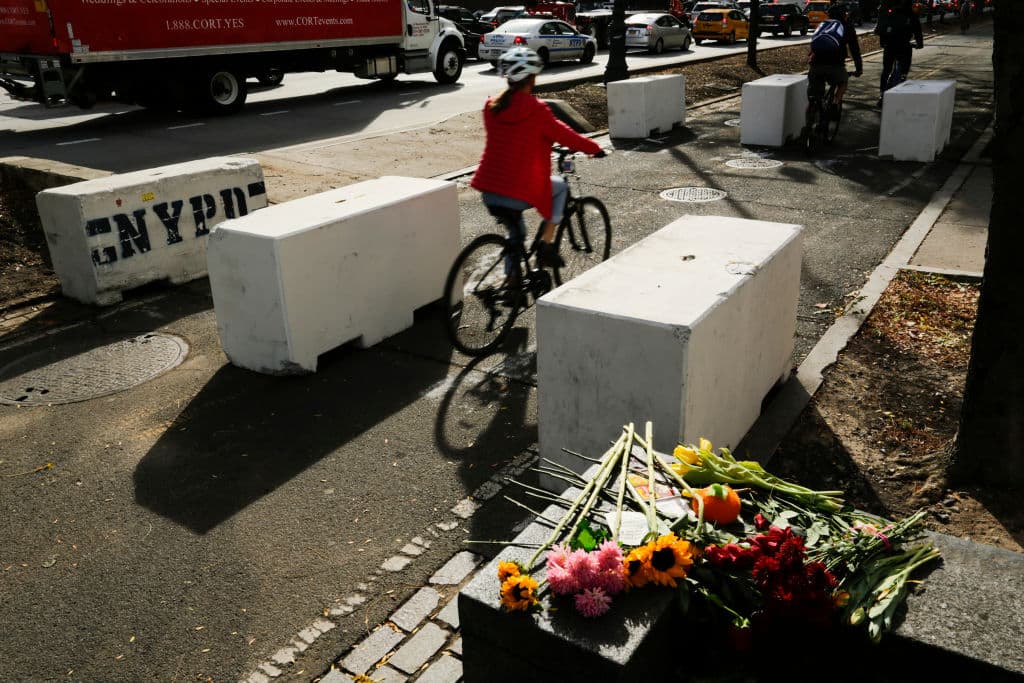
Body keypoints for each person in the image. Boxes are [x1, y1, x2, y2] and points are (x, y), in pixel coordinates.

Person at [470, 47, 605, 269]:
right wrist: (594, 148)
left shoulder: (491, 106)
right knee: (561, 187)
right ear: (531, 78)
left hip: (489, 189)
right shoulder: (536, 109)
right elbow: (565, 134)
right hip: (516, 190)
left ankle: (513, 283)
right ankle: (546, 247)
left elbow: (511, 139)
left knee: (516, 236)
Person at [806, 3, 863, 119]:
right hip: (835, 65)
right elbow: (855, 51)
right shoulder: (847, 27)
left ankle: (809, 121)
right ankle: (835, 102)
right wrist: (858, 69)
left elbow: (812, 46)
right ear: (844, 15)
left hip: (816, 65)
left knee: (815, 93)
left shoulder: (823, 25)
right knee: (843, 82)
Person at [876, 0, 924, 107]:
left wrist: (882, 42)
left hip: (889, 45)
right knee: (903, 69)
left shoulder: (889, 11)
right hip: (904, 45)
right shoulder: (910, 13)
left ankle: (882, 94)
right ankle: (900, 81)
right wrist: (919, 43)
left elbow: (882, 28)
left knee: (886, 69)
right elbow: (917, 29)